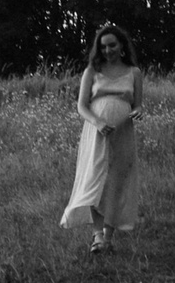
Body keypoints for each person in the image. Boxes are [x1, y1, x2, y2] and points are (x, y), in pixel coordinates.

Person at [59, 22, 143, 253]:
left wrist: (137, 112)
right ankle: (97, 235)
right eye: (104, 47)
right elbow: (81, 106)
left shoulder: (134, 72)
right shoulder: (92, 72)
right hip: (97, 132)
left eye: (112, 45)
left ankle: (108, 237)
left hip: (123, 133)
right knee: (95, 178)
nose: (108, 51)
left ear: (122, 45)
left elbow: (138, 104)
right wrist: (98, 122)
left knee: (117, 181)